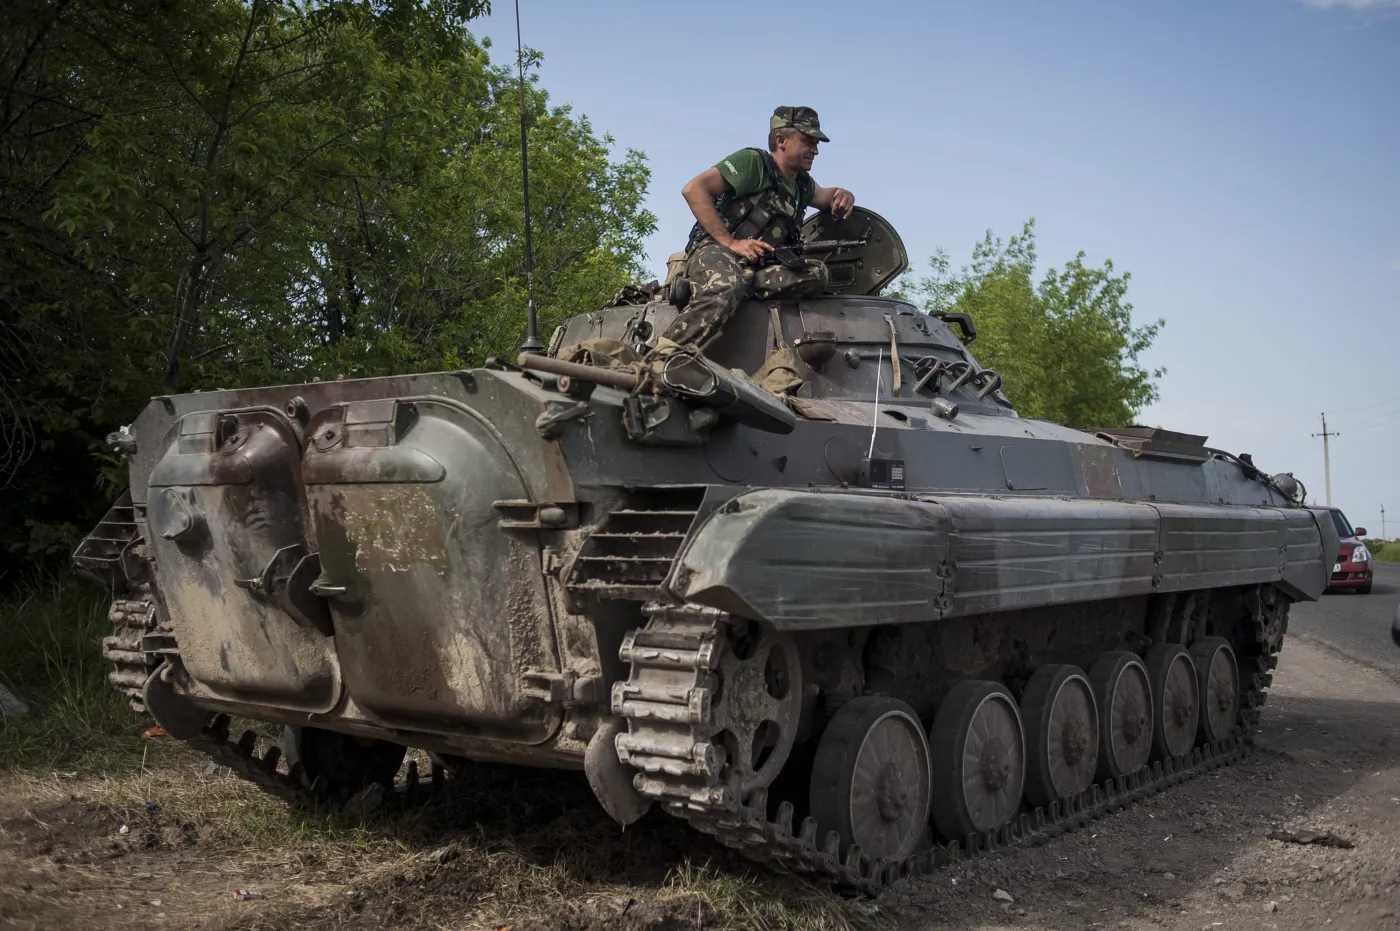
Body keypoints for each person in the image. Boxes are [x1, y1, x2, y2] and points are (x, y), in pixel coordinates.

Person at [658, 106, 855, 352]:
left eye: (816, 143)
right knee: (727, 285)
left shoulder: (802, 185)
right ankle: (662, 353)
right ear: (781, 141)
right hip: (716, 249)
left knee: (817, 274)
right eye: (808, 141)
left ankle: (742, 283)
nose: (815, 150)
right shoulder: (753, 163)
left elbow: (827, 196)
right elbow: (693, 189)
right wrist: (730, 242)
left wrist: (844, 194)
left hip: (757, 264)